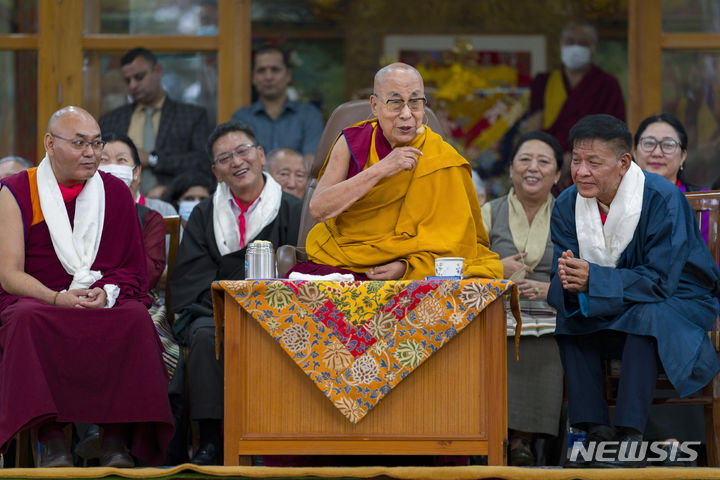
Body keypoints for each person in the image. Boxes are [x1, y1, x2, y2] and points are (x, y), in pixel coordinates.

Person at [0, 106, 174, 468]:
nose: (92, 153)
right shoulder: (16, 190)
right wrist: (56, 297)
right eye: (80, 144)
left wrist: (107, 292)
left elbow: (131, 270)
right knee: (26, 319)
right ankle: (51, 442)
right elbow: (9, 274)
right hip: (41, 299)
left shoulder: (114, 191)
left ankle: (113, 442)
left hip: (99, 298)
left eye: (96, 143)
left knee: (133, 318)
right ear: (50, 143)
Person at [550, 114, 720, 468]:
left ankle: (630, 435)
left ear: (624, 163)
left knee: (644, 316)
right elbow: (562, 271)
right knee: (569, 316)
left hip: (677, 299)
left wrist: (594, 280)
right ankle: (597, 432)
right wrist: (569, 283)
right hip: (608, 302)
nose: (581, 171)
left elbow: (660, 280)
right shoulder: (567, 204)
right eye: (577, 160)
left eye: (594, 163)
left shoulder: (662, 199)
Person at [289, 62, 502, 280]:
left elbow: (456, 242)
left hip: (410, 270)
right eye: (396, 103)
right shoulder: (352, 143)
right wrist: (382, 168)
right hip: (346, 261)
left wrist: (405, 267)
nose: (407, 114)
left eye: (415, 103)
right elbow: (318, 208)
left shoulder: (442, 157)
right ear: (374, 105)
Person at [169, 121, 302, 465]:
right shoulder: (203, 214)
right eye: (225, 158)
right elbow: (191, 277)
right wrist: (233, 301)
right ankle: (211, 440)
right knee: (202, 335)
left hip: (284, 312)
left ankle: (283, 438)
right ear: (216, 171)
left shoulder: (292, 209)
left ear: (260, 155)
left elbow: (305, 268)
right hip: (219, 313)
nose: (236, 162)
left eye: (242, 151)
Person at [481, 131, 563, 466]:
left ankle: (523, 440)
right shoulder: (489, 211)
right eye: (525, 160)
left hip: (552, 311)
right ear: (511, 169)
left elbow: (588, 268)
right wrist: (495, 267)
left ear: (557, 174)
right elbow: (463, 262)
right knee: (498, 335)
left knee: (546, 339)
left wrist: (550, 288)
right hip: (498, 309)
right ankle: (488, 435)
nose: (533, 168)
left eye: (544, 162)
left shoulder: (570, 215)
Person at [526, 20, 626, 192]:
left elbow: (614, 134)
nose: (575, 47)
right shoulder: (544, 82)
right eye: (570, 42)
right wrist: (554, 159)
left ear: (593, 48)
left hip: (592, 167)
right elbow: (533, 130)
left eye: (583, 43)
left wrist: (576, 159)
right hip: (549, 166)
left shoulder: (607, 85)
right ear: (561, 46)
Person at [99, 47, 212, 193]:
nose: (133, 85)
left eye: (139, 77)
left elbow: (202, 163)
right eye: (128, 80)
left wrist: (153, 159)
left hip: (174, 201)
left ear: (157, 71)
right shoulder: (111, 121)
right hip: (121, 201)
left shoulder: (191, 116)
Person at [230, 45, 324, 166]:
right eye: (261, 70)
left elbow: (311, 163)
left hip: (296, 184)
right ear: (253, 77)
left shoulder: (309, 115)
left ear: (288, 75)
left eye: (275, 69)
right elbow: (241, 163)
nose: (268, 76)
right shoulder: (241, 118)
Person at [99, 132, 166, 290]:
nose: (112, 166)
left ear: (136, 172)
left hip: (131, 295)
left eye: (121, 160)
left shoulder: (150, 219)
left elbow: (148, 275)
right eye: (103, 160)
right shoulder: (80, 211)